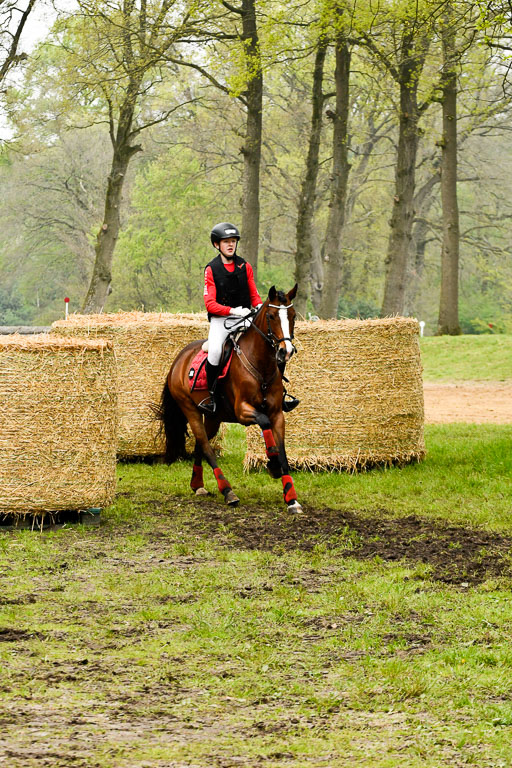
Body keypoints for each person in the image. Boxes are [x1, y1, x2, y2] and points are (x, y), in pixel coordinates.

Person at [200, 221, 299, 415]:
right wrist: (232, 311)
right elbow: (210, 303)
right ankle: (211, 397)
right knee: (214, 352)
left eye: (233, 241)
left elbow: (254, 295)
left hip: (246, 317)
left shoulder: (245, 266)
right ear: (216, 245)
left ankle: (280, 392)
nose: (230, 245)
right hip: (222, 320)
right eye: (226, 241)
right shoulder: (211, 269)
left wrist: (259, 310)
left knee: (272, 345)